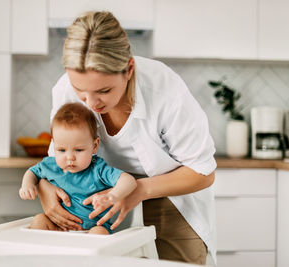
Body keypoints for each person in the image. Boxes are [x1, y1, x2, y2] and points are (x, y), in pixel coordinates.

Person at [38, 11, 217, 265]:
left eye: (104, 90)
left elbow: (203, 171)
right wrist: (45, 188)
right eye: (80, 90)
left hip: (169, 191)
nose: (91, 103)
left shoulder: (165, 90)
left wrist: (137, 190)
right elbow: (55, 160)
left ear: (129, 69)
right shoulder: (65, 89)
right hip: (95, 198)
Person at [19, 102, 137, 235]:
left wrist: (113, 196)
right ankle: (42, 254)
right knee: (39, 220)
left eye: (79, 150)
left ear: (94, 146)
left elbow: (129, 180)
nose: (70, 157)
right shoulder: (50, 165)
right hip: (57, 228)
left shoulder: (98, 169)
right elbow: (32, 172)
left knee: (99, 233)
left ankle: (91, 255)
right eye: (61, 150)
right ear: (53, 144)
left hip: (91, 230)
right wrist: (27, 185)